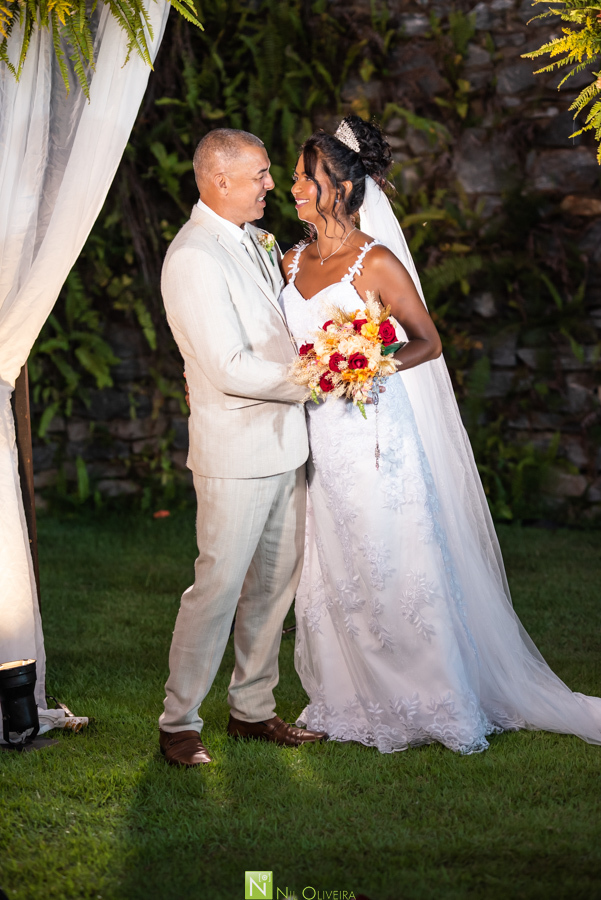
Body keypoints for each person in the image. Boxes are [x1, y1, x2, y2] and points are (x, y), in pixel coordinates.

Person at [280, 115, 601, 754]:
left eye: (303, 179)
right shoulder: (289, 260)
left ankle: (433, 698)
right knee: (336, 559)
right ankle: (348, 695)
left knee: (393, 556)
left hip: (374, 436)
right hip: (317, 438)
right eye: (292, 178)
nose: (293, 189)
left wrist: (367, 364)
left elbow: (428, 341)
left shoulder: (375, 262)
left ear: (340, 189)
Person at [159, 128, 327, 766]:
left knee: (273, 587)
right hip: (234, 452)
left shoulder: (257, 240)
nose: (271, 185)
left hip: (286, 445)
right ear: (218, 181)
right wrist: (312, 380)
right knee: (219, 585)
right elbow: (227, 366)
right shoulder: (194, 256)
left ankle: (253, 711)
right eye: (259, 175)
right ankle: (179, 723)